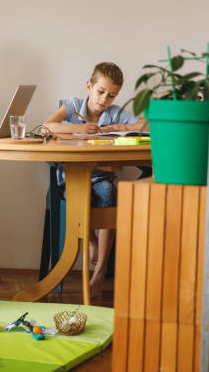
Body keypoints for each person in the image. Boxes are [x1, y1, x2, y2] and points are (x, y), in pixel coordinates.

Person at [43, 62, 148, 298]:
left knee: (110, 195)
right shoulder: (71, 106)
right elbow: (45, 127)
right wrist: (78, 131)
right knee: (82, 196)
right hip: (71, 176)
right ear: (89, 86)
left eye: (111, 96)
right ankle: (91, 238)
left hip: (101, 175)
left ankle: (100, 270)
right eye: (101, 92)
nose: (104, 100)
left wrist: (117, 126)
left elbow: (146, 125)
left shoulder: (114, 112)